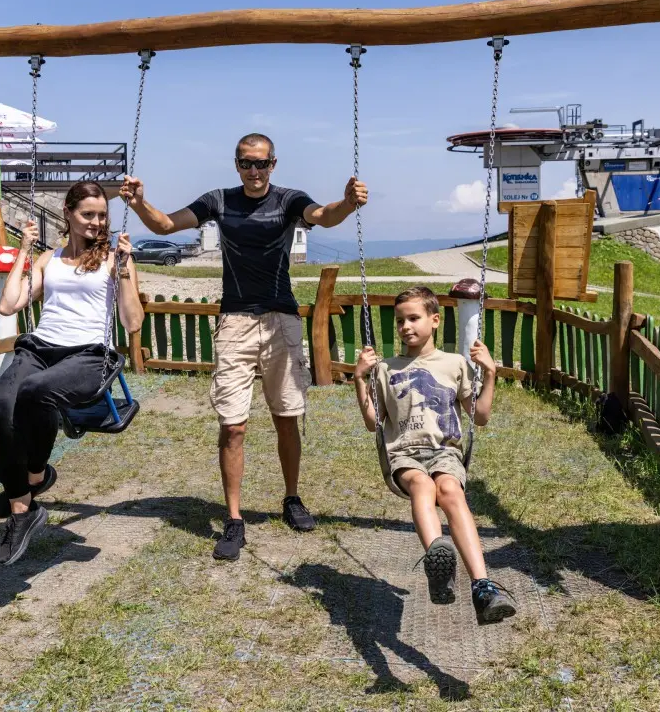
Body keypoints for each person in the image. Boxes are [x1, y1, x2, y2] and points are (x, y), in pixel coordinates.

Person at [120, 132, 368, 561]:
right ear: (236, 164)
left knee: (287, 417)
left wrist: (347, 203)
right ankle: (234, 518)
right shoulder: (218, 201)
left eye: (261, 163)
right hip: (235, 322)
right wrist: (140, 202)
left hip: (281, 318)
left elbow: (323, 216)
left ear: (274, 164)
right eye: (246, 163)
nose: (254, 171)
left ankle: (292, 497)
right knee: (232, 425)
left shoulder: (288, 200)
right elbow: (165, 225)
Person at [0, 181, 144, 565]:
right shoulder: (48, 258)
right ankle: (23, 507)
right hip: (40, 348)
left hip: (90, 354)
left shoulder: (115, 259)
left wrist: (124, 271)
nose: (96, 222)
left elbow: (133, 322)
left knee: (36, 392)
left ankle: (34, 477)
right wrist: (24, 251)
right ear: (68, 214)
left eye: (101, 215)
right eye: (88, 214)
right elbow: (9, 306)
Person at [352, 286, 516, 624]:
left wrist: (490, 373)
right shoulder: (385, 368)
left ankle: (482, 588)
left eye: (414, 318)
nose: (405, 327)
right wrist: (359, 378)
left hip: (444, 452)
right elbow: (372, 423)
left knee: (451, 491)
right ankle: (437, 562)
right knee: (423, 486)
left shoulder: (455, 364)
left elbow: (480, 417)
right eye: (400, 321)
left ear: (435, 320)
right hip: (404, 455)